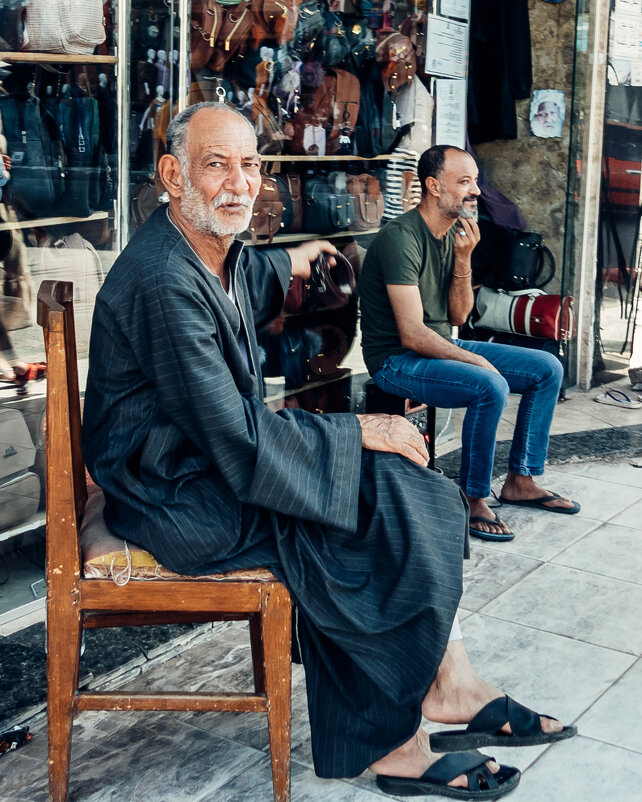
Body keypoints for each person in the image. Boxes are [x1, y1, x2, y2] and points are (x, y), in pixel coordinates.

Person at [82, 105, 575, 799]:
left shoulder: (206, 248)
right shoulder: (164, 279)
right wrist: (359, 432)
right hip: (173, 494)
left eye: (251, 164)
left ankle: (449, 685)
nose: (239, 183)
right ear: (171, 175)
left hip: (200, 465)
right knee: (363, 511)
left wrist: (297, 256)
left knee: (406, 489)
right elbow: (237, 438)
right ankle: (398, 739)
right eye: (215, 164)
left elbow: (247, 279)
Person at [359, 144, 580, 541]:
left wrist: (464, 260)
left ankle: (521, 480)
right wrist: (474, 362)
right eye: (464, 181)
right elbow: (411, 333)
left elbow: (459, 317)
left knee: (547, 369)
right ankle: (473, 498)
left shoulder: (452, 235)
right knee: (489, 384)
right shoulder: (401, 239)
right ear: (433, 185)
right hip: (396, 359)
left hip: (436, 345)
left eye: (475, 181)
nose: (475, 190)